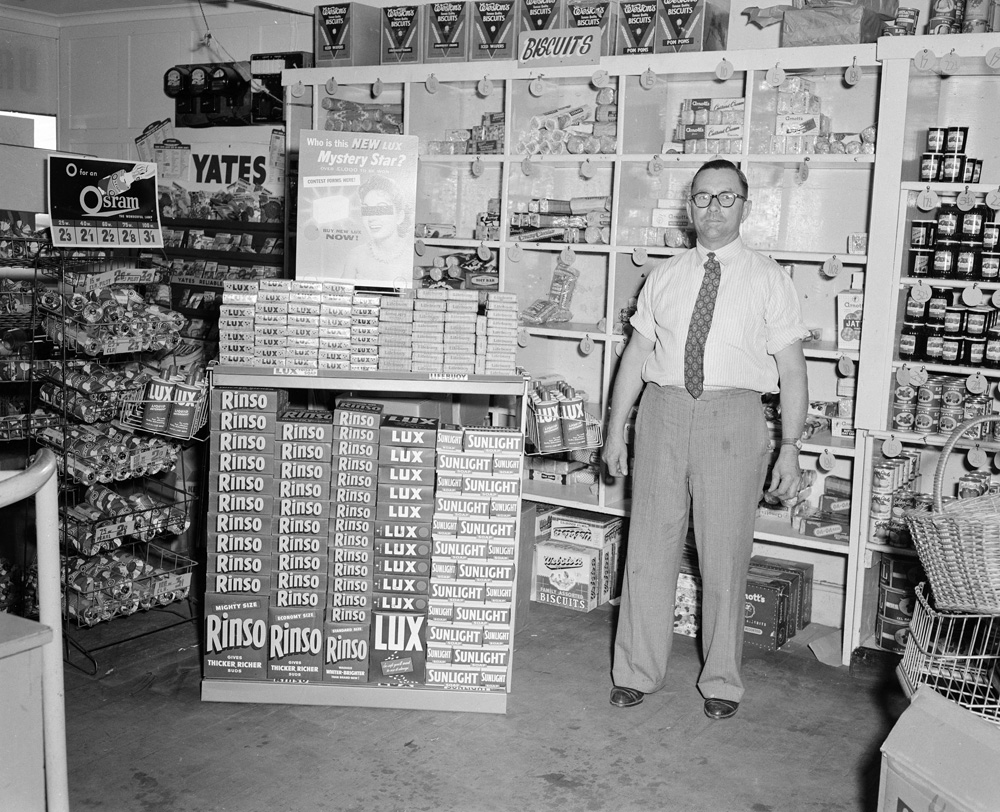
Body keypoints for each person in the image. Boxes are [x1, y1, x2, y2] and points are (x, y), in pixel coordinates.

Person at [602, 159, 809, 720]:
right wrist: (615, 431)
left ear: (745, 205)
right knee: (648, 549)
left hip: (733, 417)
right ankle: (636, 672)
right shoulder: (665, 276)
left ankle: (721, 679)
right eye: (701, 198)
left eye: (726, 198)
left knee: (724, 554)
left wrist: (790, 446)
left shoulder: (770, 278)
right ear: (687, 206)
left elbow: (792, 370)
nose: (713, 209)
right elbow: (636, 358)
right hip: (663, 414)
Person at [340, 174, 413, 287]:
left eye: (381, 208)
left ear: (400, 216)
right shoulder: (355, 256)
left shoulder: (410, 259)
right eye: (367, 210)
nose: (372, 218)